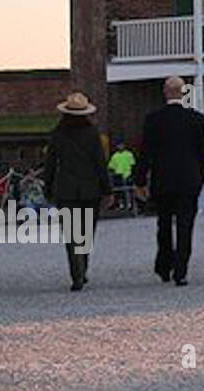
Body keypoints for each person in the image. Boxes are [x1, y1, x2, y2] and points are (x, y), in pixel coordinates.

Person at [134, 76, 204, 286]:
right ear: (183, 92)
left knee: (164, 224)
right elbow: (203, 153)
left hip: (163, 179)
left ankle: (165, 265)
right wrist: (201, 177)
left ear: (165, 92)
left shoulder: (154, 119)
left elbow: (146, 152)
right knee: (185, 225)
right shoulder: (195, 119)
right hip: (189, 179)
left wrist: (140, 179)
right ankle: (181, 270)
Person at [43, 92, 112, 291]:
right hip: (90, 190)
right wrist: (107, 189)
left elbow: (50, 165)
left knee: (71, 234)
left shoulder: (57, 134)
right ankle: (83, 265)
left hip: (65, 190)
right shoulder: (92, 134)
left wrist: (48, 188)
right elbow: (100, 163)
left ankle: (76, 273)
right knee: (86, 232)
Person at [107, 140, 136, 210]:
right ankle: (121, 204)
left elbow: (133, 164)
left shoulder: (129, 154)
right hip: (118, 175)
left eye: (122, 145)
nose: (120, 147)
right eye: (119, 145)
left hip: (128, 174)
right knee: (120, 191)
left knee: (129, 191)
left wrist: (132, 173)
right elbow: (111, 167)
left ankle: (130, 204)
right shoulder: (115, 156)